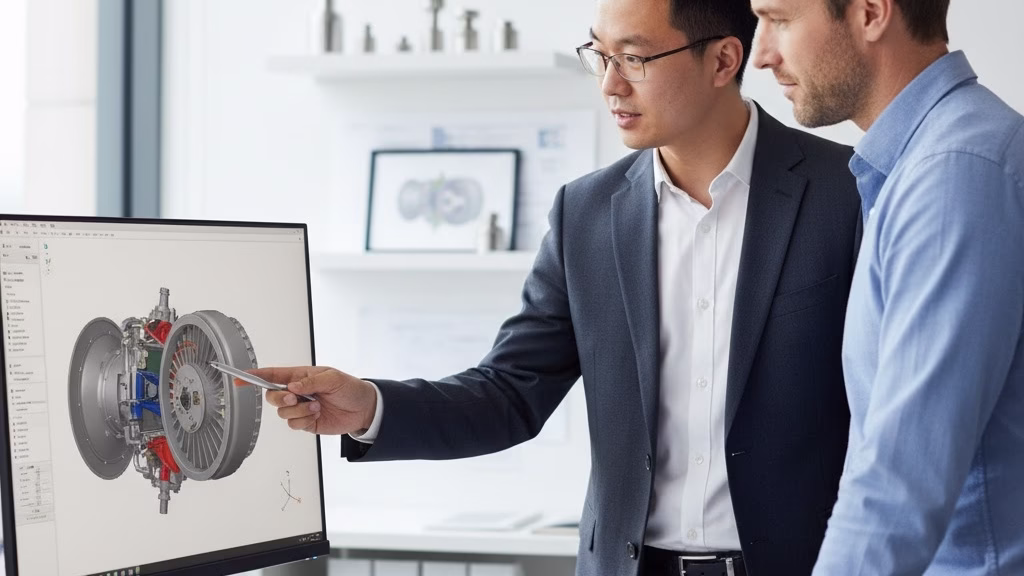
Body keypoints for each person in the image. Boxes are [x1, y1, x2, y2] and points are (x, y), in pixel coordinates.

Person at [255, 0, 861, 574]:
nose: (610, 84)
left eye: (634, 58)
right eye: (600, 55)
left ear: (723, 60)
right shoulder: (586, 213)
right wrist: (370, 406)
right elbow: (509, 392)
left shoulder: (850, 192)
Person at [750, 0, 1024, 574]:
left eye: (780, 19)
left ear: (872, 13)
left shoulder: (953, 173)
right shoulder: (922, 164)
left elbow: (900, 482)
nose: (761, 55)